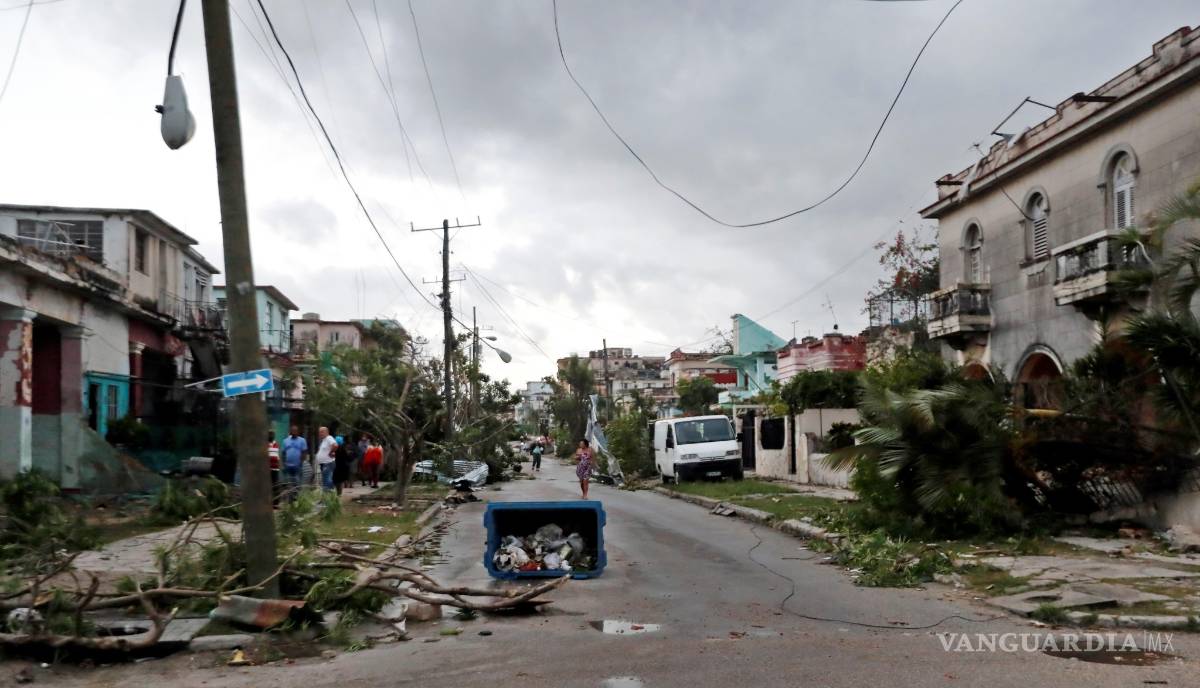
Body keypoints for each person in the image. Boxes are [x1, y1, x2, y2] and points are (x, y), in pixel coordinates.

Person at [281, 426, 307, 502]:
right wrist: (283, 464)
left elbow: (304, 452)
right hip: (288, 466)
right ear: (290, 431)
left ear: (298, 432)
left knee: (297, 482)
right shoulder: (285, 441)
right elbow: (283, 453)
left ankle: (297, 497)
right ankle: (290, 499)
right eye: (292, 431)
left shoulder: (302, 440)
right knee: (289, 482)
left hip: (298, 465)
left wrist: (301, 462)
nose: (294, 432)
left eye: (295, 431)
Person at [315, 426, 338, 492]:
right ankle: (327, 496)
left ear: (327, 432)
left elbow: (335, 445)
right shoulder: (324, 440)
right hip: (324, 464)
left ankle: (330, 493)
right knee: (325, 481)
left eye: (322, 432)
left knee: (327, 481)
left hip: (328, 463)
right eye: (319, 432)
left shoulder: (329, 438)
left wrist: (331, 452)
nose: (320, 433)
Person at [267, 431, 281, 506]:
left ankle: (275, 503)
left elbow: (278, 456)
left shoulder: (276, 444)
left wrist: (279, 465)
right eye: (269, 435)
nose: (271, 436)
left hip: (275, 468)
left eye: (272, 435)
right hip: (267, 469)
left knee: (275, 485)